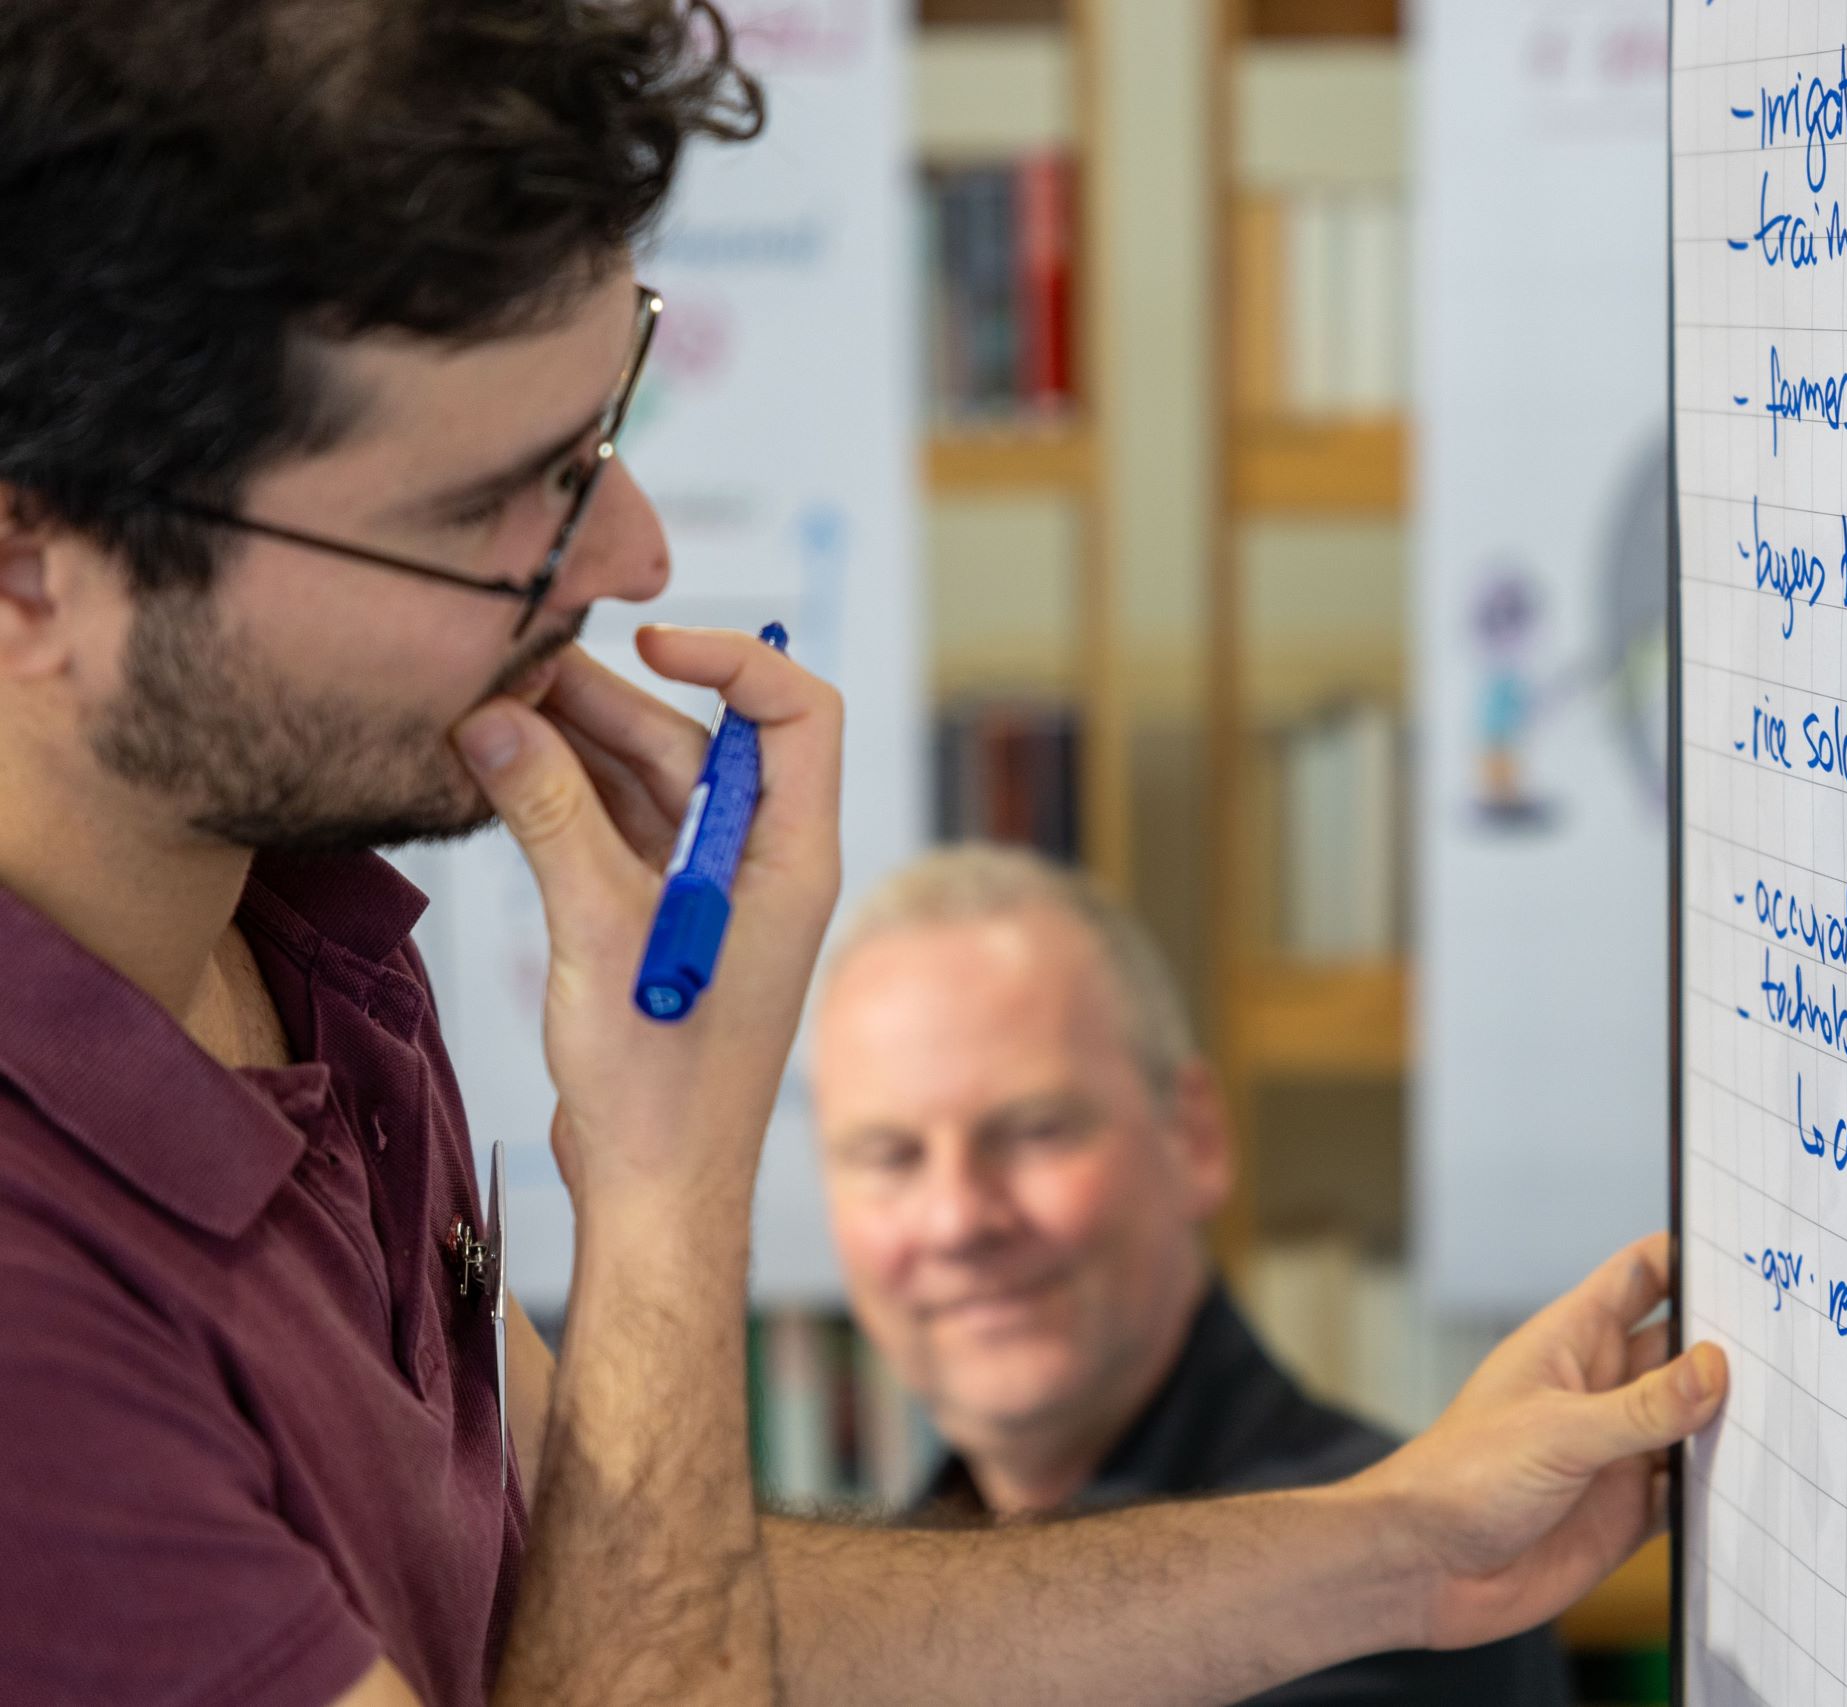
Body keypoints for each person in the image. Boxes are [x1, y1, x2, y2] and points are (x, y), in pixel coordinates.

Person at [0, 5, 1729, 1705]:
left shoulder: (294, 922)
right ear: (31, 564)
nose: (632, 547)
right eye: (488, 510)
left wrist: (1402, 1547)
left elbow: (601, 1590)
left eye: (605, 432)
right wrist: (666, 1184)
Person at [810, 845, 1573, 1706]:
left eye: (1033, 1130)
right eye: (889, 1156)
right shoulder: (896, 1583)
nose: (955, 1220)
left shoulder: (1403, 1585)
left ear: (1195, 1138)